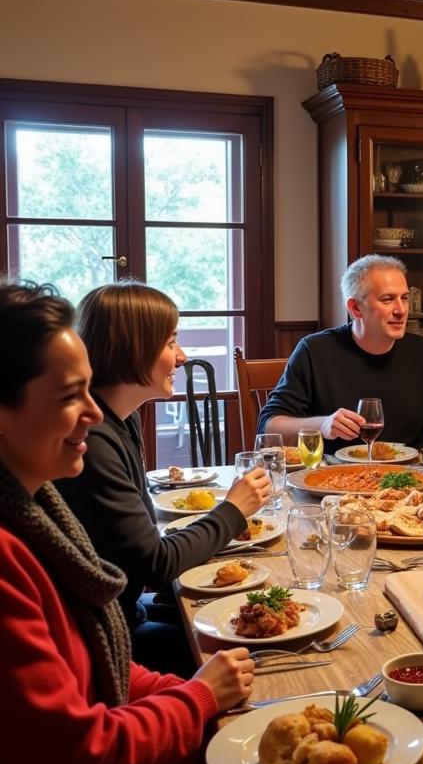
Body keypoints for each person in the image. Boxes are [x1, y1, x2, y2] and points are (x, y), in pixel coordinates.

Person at [0, 281, 256, 764]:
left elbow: (91, 664)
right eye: (69, 396)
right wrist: (194, 703)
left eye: (89, 390)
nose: (92, 413)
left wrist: (191, 690)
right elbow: (82, 760)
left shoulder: (34, 511)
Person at [55, 282, 270, 674]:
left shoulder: (121, 419)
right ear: (134, 348)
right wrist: (233, 510)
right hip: (105, 636)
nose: (182, 356)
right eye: (171, 343)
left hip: (123, 609)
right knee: (255, 653)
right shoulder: (94, 442)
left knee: (246, 610)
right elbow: (157, 564)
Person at [258, 254, 423, 453]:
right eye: (387, 299)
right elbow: (268, 427)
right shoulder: (314, 351)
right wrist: (322, 425)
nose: (401, 310)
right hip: (334, 480)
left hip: (411, 479)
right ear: (355, 308)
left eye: (404, 298)